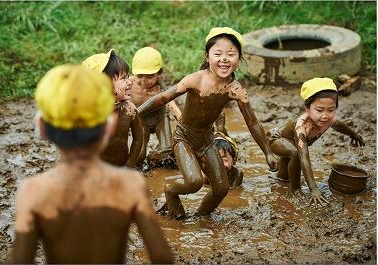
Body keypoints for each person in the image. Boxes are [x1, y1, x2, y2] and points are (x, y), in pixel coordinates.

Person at [9, 65, 173, 264]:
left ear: (42, 128)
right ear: (110, 126)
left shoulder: (33, 191)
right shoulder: (130, 184)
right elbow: (163, 257)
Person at [138, 27, 277, 218]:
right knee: (194, 182)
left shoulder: (235, 89)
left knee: (221, 188)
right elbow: (163, 97)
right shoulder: (196, 80)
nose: (224, 59)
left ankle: (201, 218)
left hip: (206, 140)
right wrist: (136, 113)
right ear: (207, 56)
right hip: (184, 137)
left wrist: (268, 152)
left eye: (231, 54)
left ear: (239, 58)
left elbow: (252, 122)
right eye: (218, 54)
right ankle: (171, 190)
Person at [267, 77, 365, 206]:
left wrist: (354, 135)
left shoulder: (329, 120)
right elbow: (304, 158)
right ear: (307, 108)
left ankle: (281, 180)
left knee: (284, 177)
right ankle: (295, 189)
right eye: (319, 110)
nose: (325, 115)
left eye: (331, 110)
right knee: (296, 154)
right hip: (277, 139)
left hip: (290, 144)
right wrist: (314, 189)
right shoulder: (302, 127)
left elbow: (340, 126)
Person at [82, 49, 143, 167]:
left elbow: (138, 139)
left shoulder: (129, 110)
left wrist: (129, 165)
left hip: (121, 167)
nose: (130, 82)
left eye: (128, 76)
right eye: (124, 78)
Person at [130, 47, 181, 164]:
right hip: (141, 120)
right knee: (139, 155)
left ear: (159, 75)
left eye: (150, 76)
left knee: (166, 151)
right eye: (139, 76)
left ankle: (152, 158)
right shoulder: (129, 85)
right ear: (134, 73)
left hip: (160, 119)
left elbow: (174, 108)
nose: (144, 81)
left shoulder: (160, 89)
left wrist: (184, 123)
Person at [213, 113, 244, 188]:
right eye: (218, 160)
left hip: (229, 148)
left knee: (225, 143)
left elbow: (233, 191)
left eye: (225, 159)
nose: (222, 164)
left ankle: (220, 128)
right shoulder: (208, 174)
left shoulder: (237, 173)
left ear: (234, 161)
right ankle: (218, 129)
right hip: (214, 145)